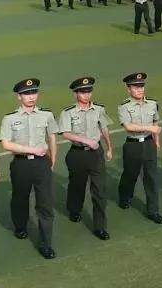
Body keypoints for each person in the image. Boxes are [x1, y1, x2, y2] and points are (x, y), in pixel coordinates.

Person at [0, 79, 58, 259]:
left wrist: (52, 160)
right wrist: (32, 150)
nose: (31, 97)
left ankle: (46, 243)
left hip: (42, 163)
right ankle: (20, 226)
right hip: (21, 164)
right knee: (20, 197)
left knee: (45, 203)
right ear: (19, 97)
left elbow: (52, 137)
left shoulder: (46, 115)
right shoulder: (9, 118)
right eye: (27, 94)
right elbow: (6, 144)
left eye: (34, 93)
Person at [58, 77, 113, 241]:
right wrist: (85, 140)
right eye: (82, 92)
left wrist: (109, 147)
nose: (86, 95)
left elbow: (103, 128)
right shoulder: (68, 112)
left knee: (99, 190)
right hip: (77, 154)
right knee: (77, 185)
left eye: (88, 91)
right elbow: (66, 133)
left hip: (96, 154)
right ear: (75, 94)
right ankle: (74, 210)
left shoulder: (99, 109)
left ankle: (100, 227)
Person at [117, 73, 162, 224]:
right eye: (135, 87)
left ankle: (153, 211)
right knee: (130, 175)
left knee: (151, 177)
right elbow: (128, 126)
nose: (139, 90)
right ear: (129, 89)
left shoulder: (152, 104)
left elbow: (156, 122)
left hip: (149, 143)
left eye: (141, 86)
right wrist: (150, 128)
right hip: (132, 145)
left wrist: (156, 141)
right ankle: (125, 197)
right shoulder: (124, 106)